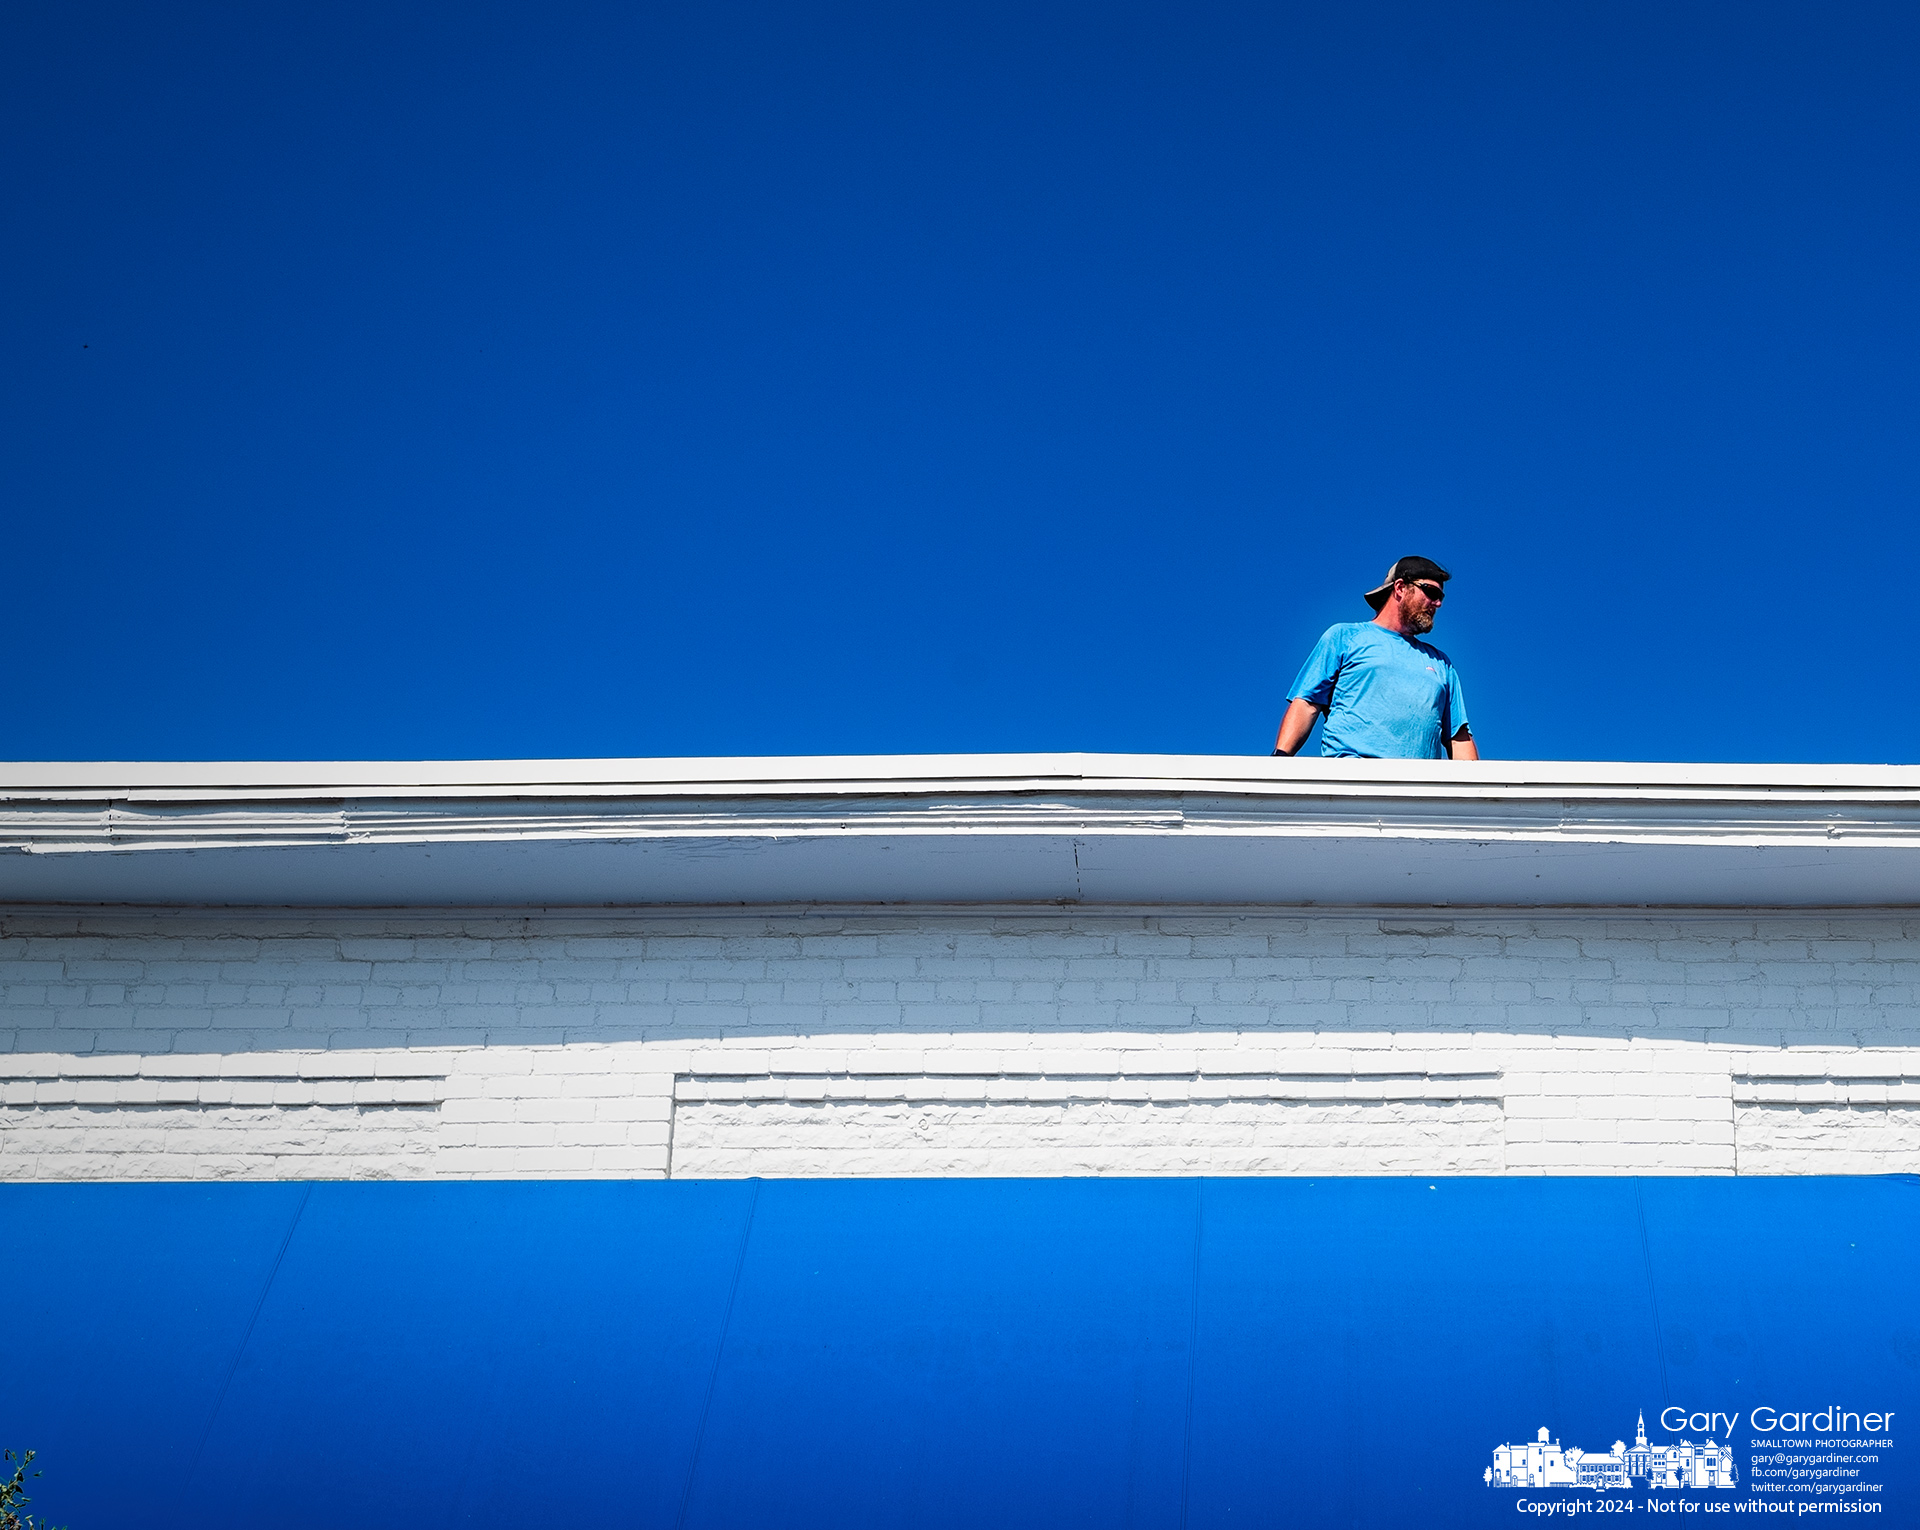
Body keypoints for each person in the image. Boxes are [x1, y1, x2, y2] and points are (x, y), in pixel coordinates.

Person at [1272, 555, 1479, 760]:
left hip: (1418, 787)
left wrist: (1477, 790)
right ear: (1400, 588)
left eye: (1441, 597)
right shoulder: (1344, 637)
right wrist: (1280, 759)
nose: (1437, 603)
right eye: (1431, 592)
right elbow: (1307, 704)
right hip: (1353, 779)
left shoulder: (1441, 663)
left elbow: (1458, 737)